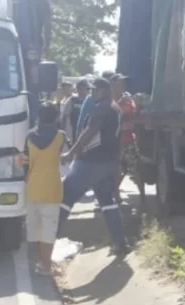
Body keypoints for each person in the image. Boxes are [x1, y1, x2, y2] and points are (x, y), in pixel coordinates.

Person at [59, 77, 128, 255]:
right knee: (107, 202)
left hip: (90, 162)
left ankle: (48, 240)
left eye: (94, 90)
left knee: (65, 196)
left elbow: (89, 132)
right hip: (108, 163)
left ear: (103, 91)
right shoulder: (116, 108)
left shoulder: (101, 109)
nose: (91, 93)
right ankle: (120, 243)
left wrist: (71, 153)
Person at [25, 102, 67, 276]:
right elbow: (65, 158)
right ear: (56, 117)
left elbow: (24, 161)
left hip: (32, 187)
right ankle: (46, 266)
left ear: (39, 117)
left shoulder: (29, 136)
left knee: (33, 227)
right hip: (52, 189)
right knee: (48, 229)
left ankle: (35, 263)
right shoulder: (61, 137)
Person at [110, 73, 147, 204]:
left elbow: (134, 115)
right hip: (115, 142)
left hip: (129, 139)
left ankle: (143, 197)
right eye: (121, 83)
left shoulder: (128, 98)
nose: (123, 85)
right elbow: (109, 113)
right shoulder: (109, 99)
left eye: (124, 83)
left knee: (137, 168)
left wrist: (137, 104)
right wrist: (119, 103)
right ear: (113, 85)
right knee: (117, 171)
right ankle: (115, 195)